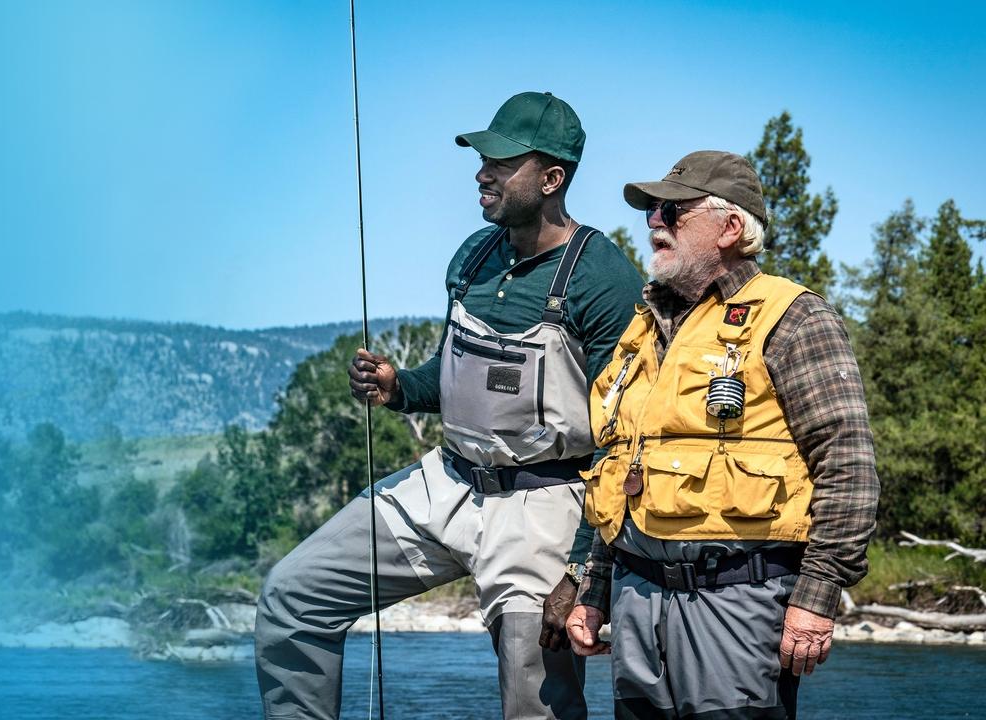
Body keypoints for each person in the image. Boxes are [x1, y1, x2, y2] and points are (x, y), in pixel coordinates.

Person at [254, 91, 643, 720]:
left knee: (533, 692)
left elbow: (626, 437)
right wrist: (400, 387)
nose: (482, 173)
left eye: (501, 161)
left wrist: (580, 566)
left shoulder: (604, 280)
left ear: (552, 178)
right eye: (482, 157)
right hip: (446, 483)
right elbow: (460, 375)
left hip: (544, 507)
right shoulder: (474, 255)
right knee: (293, 594)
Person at [563, 151, 880, 719]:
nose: (653, 221)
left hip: (738, 600)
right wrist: (593, 592)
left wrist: (816, 598)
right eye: (652, 211)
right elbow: (622, 471)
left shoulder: (793, 317)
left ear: (730, 228)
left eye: (672, 211)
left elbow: (848, 468)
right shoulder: (641, 329)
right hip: (636, 600)